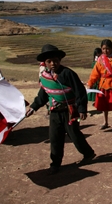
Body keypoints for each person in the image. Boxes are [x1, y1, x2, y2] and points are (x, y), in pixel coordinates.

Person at [25, 44, 95, 175]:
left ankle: (88, 153)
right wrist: (33, 107)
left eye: (55, 60)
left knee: (75, 135)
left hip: (70, 111)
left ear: (60, 60)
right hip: (55, 112)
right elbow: (44, 94)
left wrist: (82, 109)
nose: (53, 63)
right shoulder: (45, 77)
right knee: (55, 138)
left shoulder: (68, 73)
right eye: (49, 61)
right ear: (44, 63)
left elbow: (80, 91)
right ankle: (55, 164)